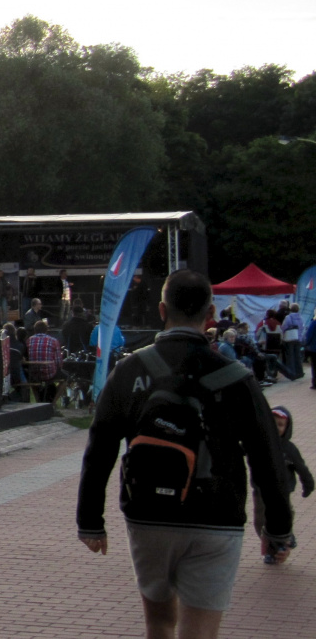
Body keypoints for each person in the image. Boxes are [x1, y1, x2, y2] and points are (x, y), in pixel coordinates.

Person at [77, 270, 294, 638]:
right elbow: (267, 456)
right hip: (216, 516)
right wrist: (278, 528)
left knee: (159, 624)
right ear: (211, 312)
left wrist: (90, 520)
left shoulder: (130, 369)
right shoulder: (237, 377)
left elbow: (100, 446)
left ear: (162, 309)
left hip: (147, 513)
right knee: (199, 632)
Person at [252, 407, 313, 564]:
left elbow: (301, 468)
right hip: (260, 492)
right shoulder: (258, 443)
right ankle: (272, 549)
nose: (275, 427)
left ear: (287, 428)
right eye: (271, 423)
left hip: (282, 491)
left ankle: (283, 540)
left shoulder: (289, 449)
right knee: (260, 521)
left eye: (280, 425)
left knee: (285, 515)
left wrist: (308, 484)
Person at [280, 303, 305, 379]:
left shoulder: (288, 317)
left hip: (290, 338)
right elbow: (302, 328)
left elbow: (284, 327)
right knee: (297, 355)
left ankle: (292, 372)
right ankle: (300, 372)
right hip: (298, 338)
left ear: (291, 309)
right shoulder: (301, 317)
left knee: (290, 356)